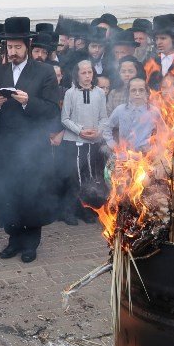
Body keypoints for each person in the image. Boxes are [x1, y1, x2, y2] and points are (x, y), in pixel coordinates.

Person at [0, 16, 60, 262]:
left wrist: (28, 102)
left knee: (32, 195)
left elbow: (53, 110)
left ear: (27, 45)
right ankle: (13, 240)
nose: (13, 52)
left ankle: (30, 244)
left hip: (34, 147)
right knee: (10, 194)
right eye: (10, 47)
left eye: (17, 47)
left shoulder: (45, 72)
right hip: (6, 147)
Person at [60, 60, 109, 224]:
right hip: (74, 142)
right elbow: (65, 118)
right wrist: (80, 130)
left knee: (89, 177)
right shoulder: (70, 93)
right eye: (83, 73)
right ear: (77, 74)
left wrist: (98, 131)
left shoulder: (100, 93)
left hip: (93, 142)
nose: (87, 76)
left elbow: (104, 117)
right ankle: (69, 212)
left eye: (90, 72)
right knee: (73, 177)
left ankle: (86, 210)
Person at [102, 78, 163, 153]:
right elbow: (106, 128)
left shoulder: (153, 111)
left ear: (147, 92)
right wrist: (113, 145)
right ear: (128, 93)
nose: (137, 93)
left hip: (146, 157)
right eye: (133, 90)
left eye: (141, 90)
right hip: (125, 156)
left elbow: (163, 131)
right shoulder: (120, 110)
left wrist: (155, 148)